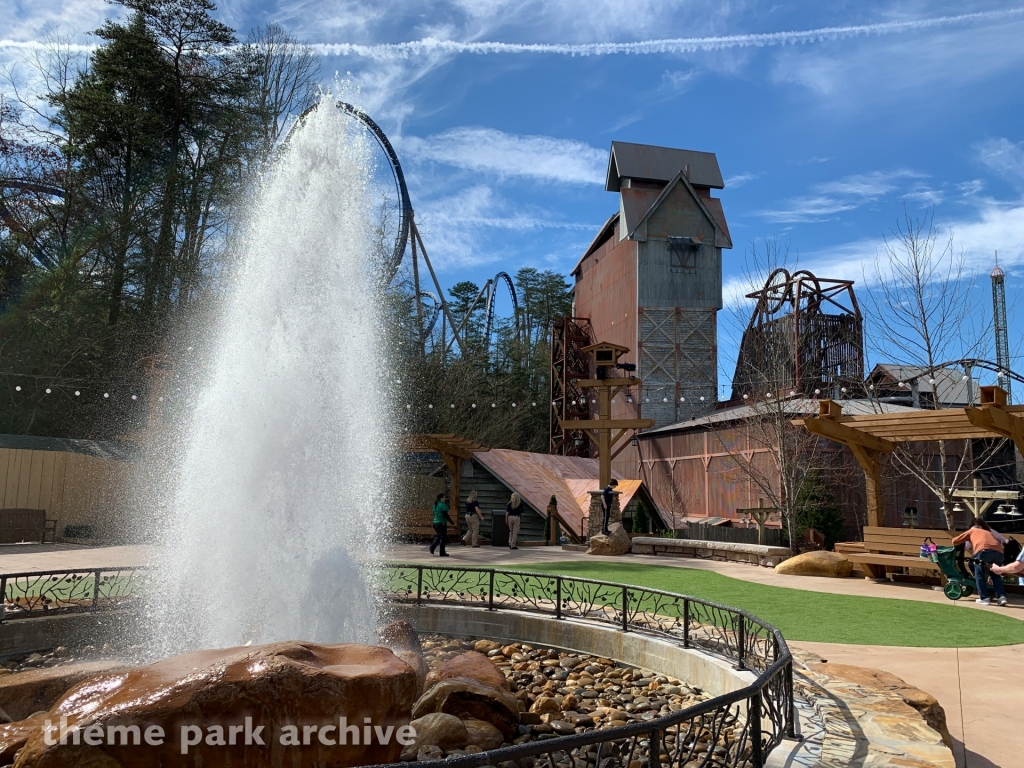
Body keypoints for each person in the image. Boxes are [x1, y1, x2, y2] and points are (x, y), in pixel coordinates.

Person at [952, 516, 1006, 606]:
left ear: (972, 526)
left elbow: (955, 541)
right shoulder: (988, 531)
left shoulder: (972, 531)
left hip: (983, 552)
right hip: (999, 553)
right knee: (995, 574)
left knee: (979, 573)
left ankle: (984, 597)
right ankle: (1002, 596)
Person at [429, 492, 454, 557]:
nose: (445, 498)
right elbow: (445, 514)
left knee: (440, 536)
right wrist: (451, 521)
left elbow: (435, 513)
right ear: (441, 498)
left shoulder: (435, 505)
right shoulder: (443, 505)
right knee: (443, 538)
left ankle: (432, 547)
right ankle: (442, 552)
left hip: (435, 523)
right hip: (441, 523)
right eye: (444, 497)